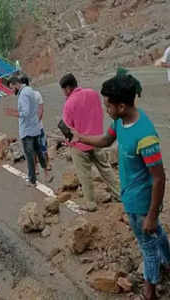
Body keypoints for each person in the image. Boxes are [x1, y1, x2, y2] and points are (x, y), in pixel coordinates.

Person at [72, 74, 170, 300]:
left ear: (122, 105)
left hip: (141, 203)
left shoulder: (145, 136)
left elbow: (159, 178)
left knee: (147, 247)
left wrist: (152, 215)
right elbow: (106, 141)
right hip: (130, 196)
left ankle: (150, 291)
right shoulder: (120, 121)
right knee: (155, 236)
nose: (106, 108)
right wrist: (81, 138)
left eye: (108, 105)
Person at [60, 73, 120, 211]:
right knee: (106, 168)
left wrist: (69, 142)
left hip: (79, 144)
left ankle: (90, 203)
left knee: (84, 175)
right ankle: (120, 194)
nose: (64, 93)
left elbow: (68, 128)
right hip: (97, 140)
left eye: (63, 90)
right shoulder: (92, 93)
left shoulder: (69, 103)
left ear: (68, 88)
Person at [5, 76, 52, 185]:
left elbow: (25, 113)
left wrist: (13, 113)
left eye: (12, 88)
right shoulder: (30, 91)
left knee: (30, 156)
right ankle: (46, 174)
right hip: (35, 127)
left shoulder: (23, 95)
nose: (12, 91)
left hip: (27, 130)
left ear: (16, 84)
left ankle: (32, 180)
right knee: (39, 152)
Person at [20, 77, 51, 173]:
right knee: (41, 146)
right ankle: (46, 164)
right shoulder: (36, 94)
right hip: (38, 126)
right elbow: (41, 110)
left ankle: (37, 167)